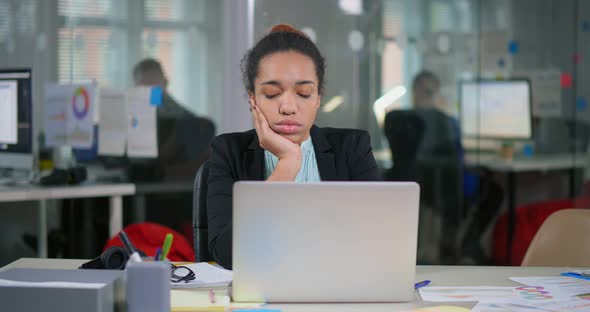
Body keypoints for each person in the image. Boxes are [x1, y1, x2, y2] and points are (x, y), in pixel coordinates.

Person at [206, 24, 381, 269]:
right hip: (261, 294)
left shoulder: (352, 148)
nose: (288, 107)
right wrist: (287, 164)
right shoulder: (228, 151)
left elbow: (380, 243)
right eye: (272, 93)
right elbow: (226, 254)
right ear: (252, 99)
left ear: (318, 97)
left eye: (304, 93)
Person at [411, 71, 503, 264]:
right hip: (447, 190)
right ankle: (468, 245)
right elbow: (461, 159)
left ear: (414, 93)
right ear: (435, 94)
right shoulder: (447, 121)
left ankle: (460, 244)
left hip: (416, 189)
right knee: (494, 189)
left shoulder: (401, 120)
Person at [131, 58, 215, 181]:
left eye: (153, 84)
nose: (150, 91)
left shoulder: (186, 119)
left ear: (165, 83)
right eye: (145, 85)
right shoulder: (133, 112)